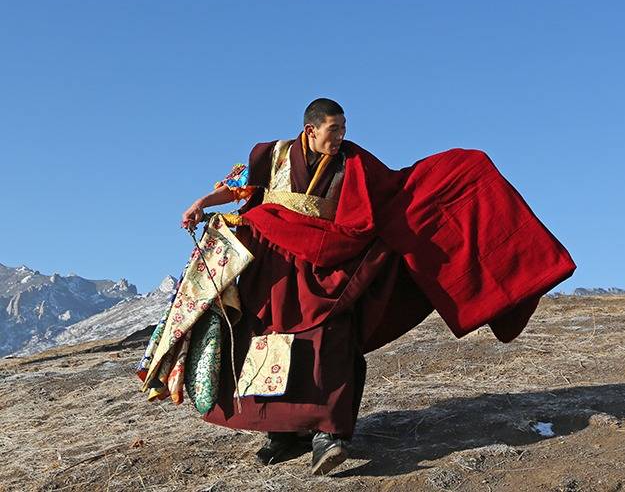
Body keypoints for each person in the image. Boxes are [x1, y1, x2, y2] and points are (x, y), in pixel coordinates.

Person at [180, 98, 575, 475]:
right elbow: (238, 188)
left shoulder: (352, 161)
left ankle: (327, 434)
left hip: (328, 265)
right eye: (333, 130)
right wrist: (202, 203)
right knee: (269, 339)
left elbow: (395, 191)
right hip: (277, 267)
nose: (340, 137)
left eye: (344, 129)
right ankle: (283, 433)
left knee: (331, 338)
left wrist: (461, 169)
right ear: (310, 130)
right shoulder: (272, 154)